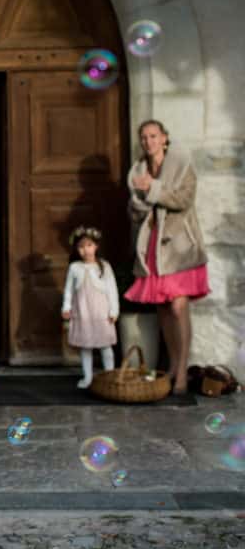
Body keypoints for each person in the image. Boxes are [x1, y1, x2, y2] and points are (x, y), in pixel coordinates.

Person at [125, 120, 209, 395]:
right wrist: (140, 198)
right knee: (162, 308)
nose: (148, 141)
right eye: (144, 137)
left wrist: (152, 189)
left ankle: (183, 370)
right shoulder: (137, 169)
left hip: (179, 247)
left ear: (164, 138)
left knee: (177, 307)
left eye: (153, 136)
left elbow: (183, 199)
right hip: (152, 248)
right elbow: (134, 208)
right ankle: (172, 365)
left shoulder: (182, 165)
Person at [61, 226, 119, 388]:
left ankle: (110, 376)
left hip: (101, 314)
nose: (85, 250)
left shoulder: (104, 267)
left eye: (89, 245)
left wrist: (113, 310)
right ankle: (88, 377)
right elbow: (69, 290)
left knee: (105, 345)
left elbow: (111, 290)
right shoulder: (75, 268)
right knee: (86, 347)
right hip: (83, 312)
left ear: (96, 246)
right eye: (81, 247)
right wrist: (66, 307)